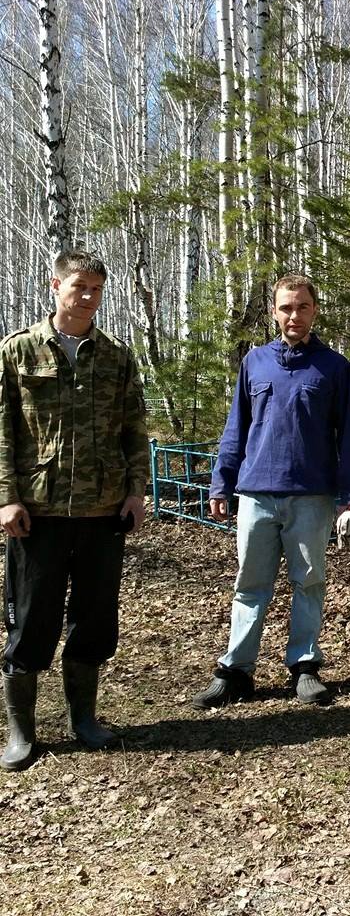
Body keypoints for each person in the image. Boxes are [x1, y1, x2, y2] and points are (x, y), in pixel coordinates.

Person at [0, 250, 149, 772]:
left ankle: (83, 717)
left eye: (95, 289)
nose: (86, 296)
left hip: (102, 511)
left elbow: (134, 430)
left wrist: (136, 490)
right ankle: (21, 731)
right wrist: (6, 496)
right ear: (55, 285)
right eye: (78, 285)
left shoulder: (115, 357)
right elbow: (3, 431)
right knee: (31, 619)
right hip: (36, 512)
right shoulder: (17, 353)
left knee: (94, 619)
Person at [192, 274, 350, 710]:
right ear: (274, 311)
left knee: (309, 583)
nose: (294, 315)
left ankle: (304, 667)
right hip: (256, 494)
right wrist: (222, 480)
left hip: (311, 496)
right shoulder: (255, 363)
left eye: (302, 307)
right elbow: (237, 426)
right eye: (286, 307)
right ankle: (236, 672)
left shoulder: (333, 368)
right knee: (249, 585)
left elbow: (349, 438)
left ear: (314, 310)